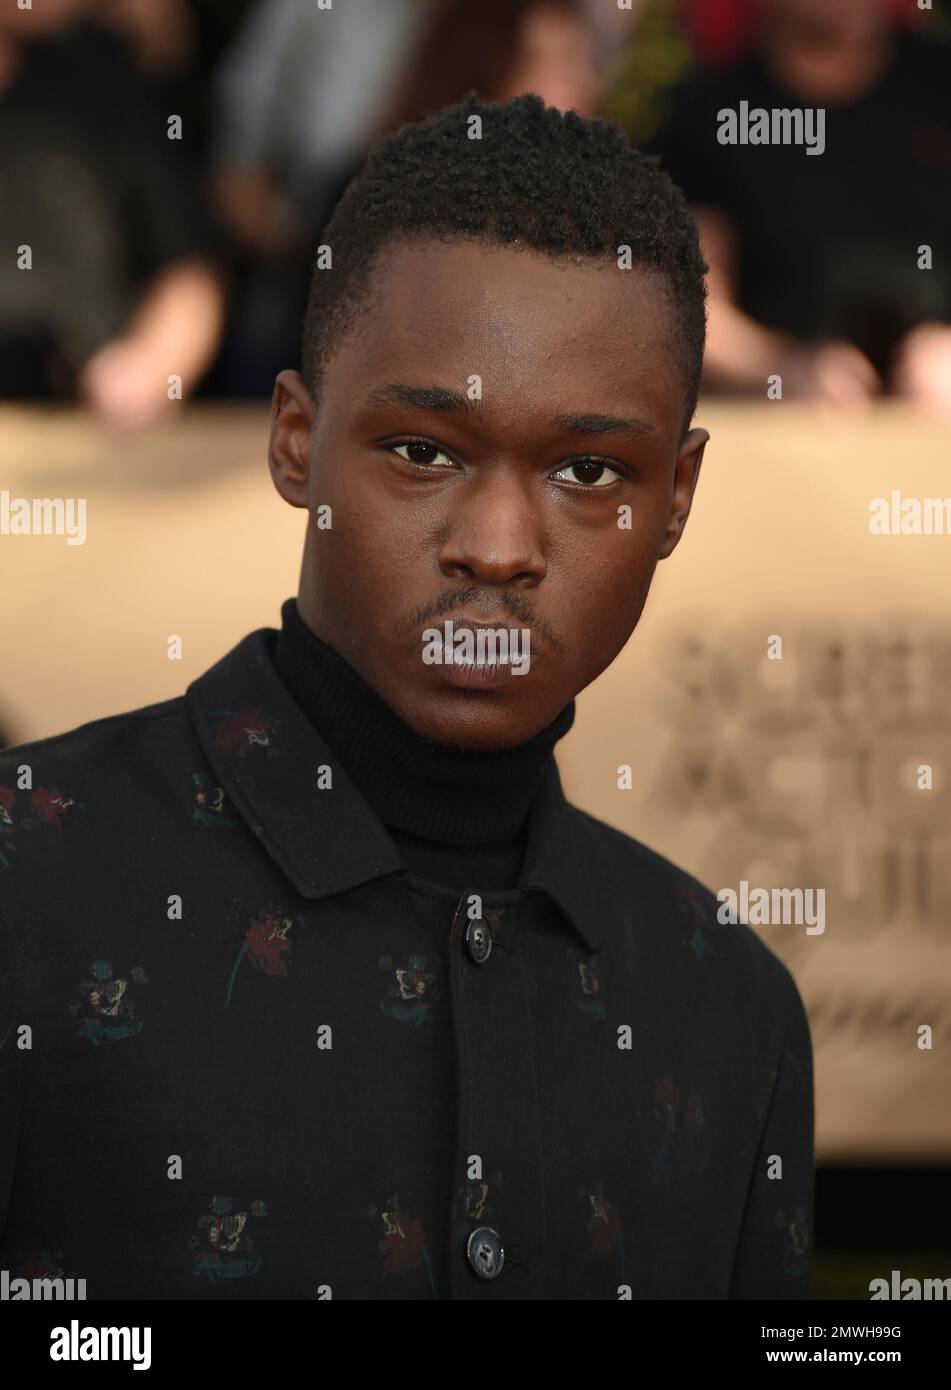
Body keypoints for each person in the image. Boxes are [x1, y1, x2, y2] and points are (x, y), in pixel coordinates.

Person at [0, 94, 813, 1299]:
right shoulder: (30, 880)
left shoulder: (723, 1005)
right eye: (424, 451)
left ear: (676, 498)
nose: (496, 545)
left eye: (590, 471)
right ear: (294, 440)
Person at [645, 0, 951, 413]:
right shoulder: (706, 114)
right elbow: (686, 302)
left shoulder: (936, 85)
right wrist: (778, 367)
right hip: (781, 427)